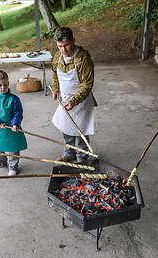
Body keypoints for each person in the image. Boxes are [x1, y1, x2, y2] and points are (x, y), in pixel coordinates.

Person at [51, 26, 96, 164]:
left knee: (81, 130)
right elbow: (54, 73)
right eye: (60, 46)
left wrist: (74, 101)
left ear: (73, 41)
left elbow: (87, 84)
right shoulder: (58, 57)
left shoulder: (83, 59)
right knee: (66, 127)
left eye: (66, 45)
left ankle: (82, 158)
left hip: (81, 100)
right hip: (65, 99)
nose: (63, 50)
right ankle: (69, 153)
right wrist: (55, 88)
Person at [0, 70, 27, 176]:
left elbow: (17, 113)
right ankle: (0, 162)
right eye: (0, 85)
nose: (3, 87)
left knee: (13, 149)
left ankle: (13, 166)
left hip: (12, 129)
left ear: (8, 83)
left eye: (5, 85)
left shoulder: (14, 99)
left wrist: (15, 123)